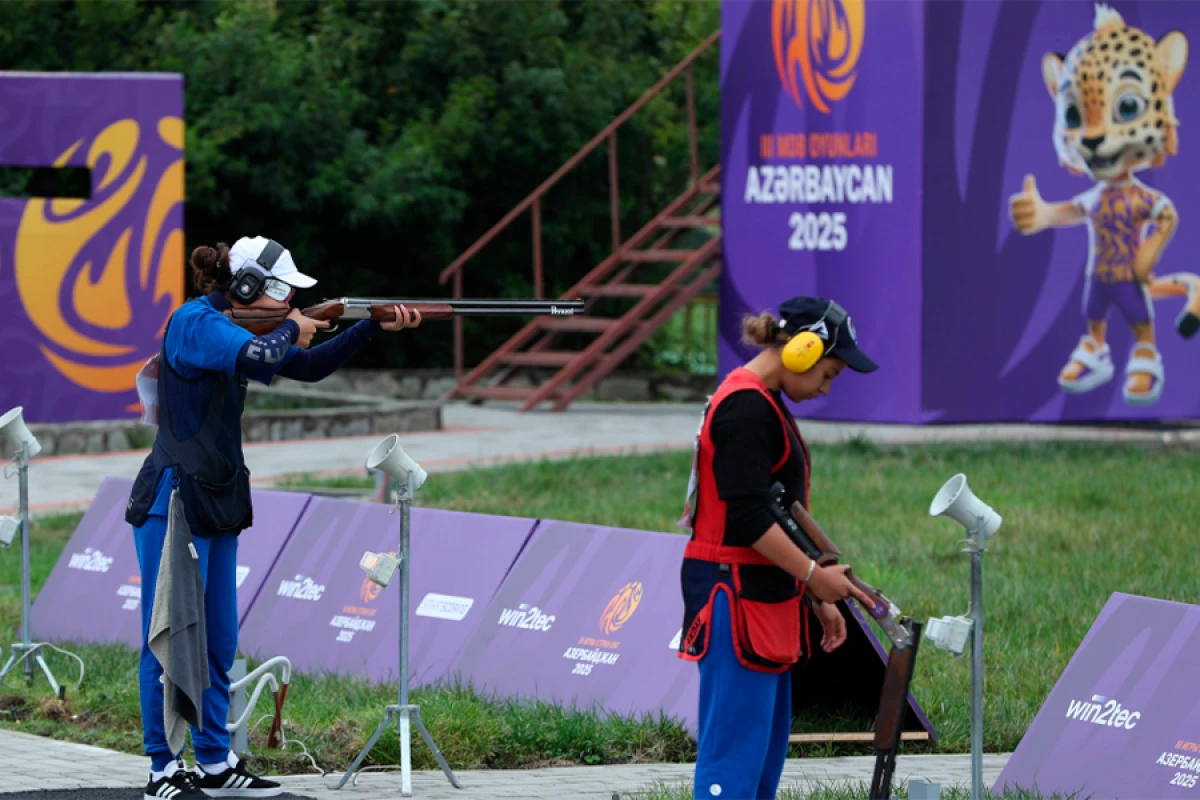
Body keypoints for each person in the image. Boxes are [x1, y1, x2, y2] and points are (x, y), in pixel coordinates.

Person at [124, 236, 422, 799]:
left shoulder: (237, 328)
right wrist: (295, 326)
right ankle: (162, 768)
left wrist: (369, 327)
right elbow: (267, 353)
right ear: (245, 287)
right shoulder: (195, 322)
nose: (288, 304)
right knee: (169, 636)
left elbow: (305, 367)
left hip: (217, 500)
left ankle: (214, 761)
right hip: (176, 503)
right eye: (281, 292)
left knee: (217, 641)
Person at [677, 295, 880, 800]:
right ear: (802, 351)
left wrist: (816, 596)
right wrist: (814, 575)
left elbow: (777, 511)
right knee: (732, 766)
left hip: (762, 597)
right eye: (828, 373)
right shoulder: (746, 409)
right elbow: (748, 519)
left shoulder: (762, 404)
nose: (825, 388)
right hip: (735, 596)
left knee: (761, 765)